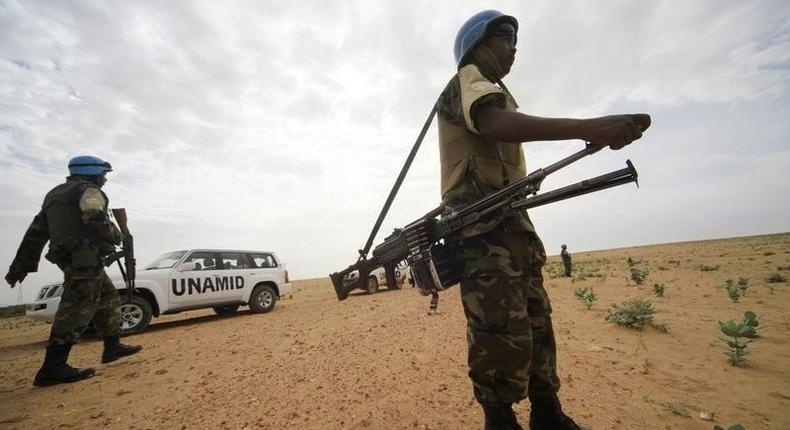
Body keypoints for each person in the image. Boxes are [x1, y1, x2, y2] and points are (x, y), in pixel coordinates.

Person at [437, 11, 651, 430]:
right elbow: (497, 124)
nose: (514, 45)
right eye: (505, 36)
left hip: (514, 229)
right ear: (477, 44)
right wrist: (590, 127)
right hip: (482, 234)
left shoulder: (499, 93)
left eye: (516, 38)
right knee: (498, 333)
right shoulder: (467, 82)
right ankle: (499, 422)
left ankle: (548, 415)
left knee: (536, 325)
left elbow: (502, 141)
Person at [5, 156, 142, 387]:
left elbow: (36, 232)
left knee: (108, 297)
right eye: (103, 174)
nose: (105, 179)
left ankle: (112, 346)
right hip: (83, 257)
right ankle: (52, 367)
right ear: (92, 172)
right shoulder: (88, 190)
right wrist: (117, 236)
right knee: (76, 306)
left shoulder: (55, 194)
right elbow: (94, 217)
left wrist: (20, 265)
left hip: (73, 255)